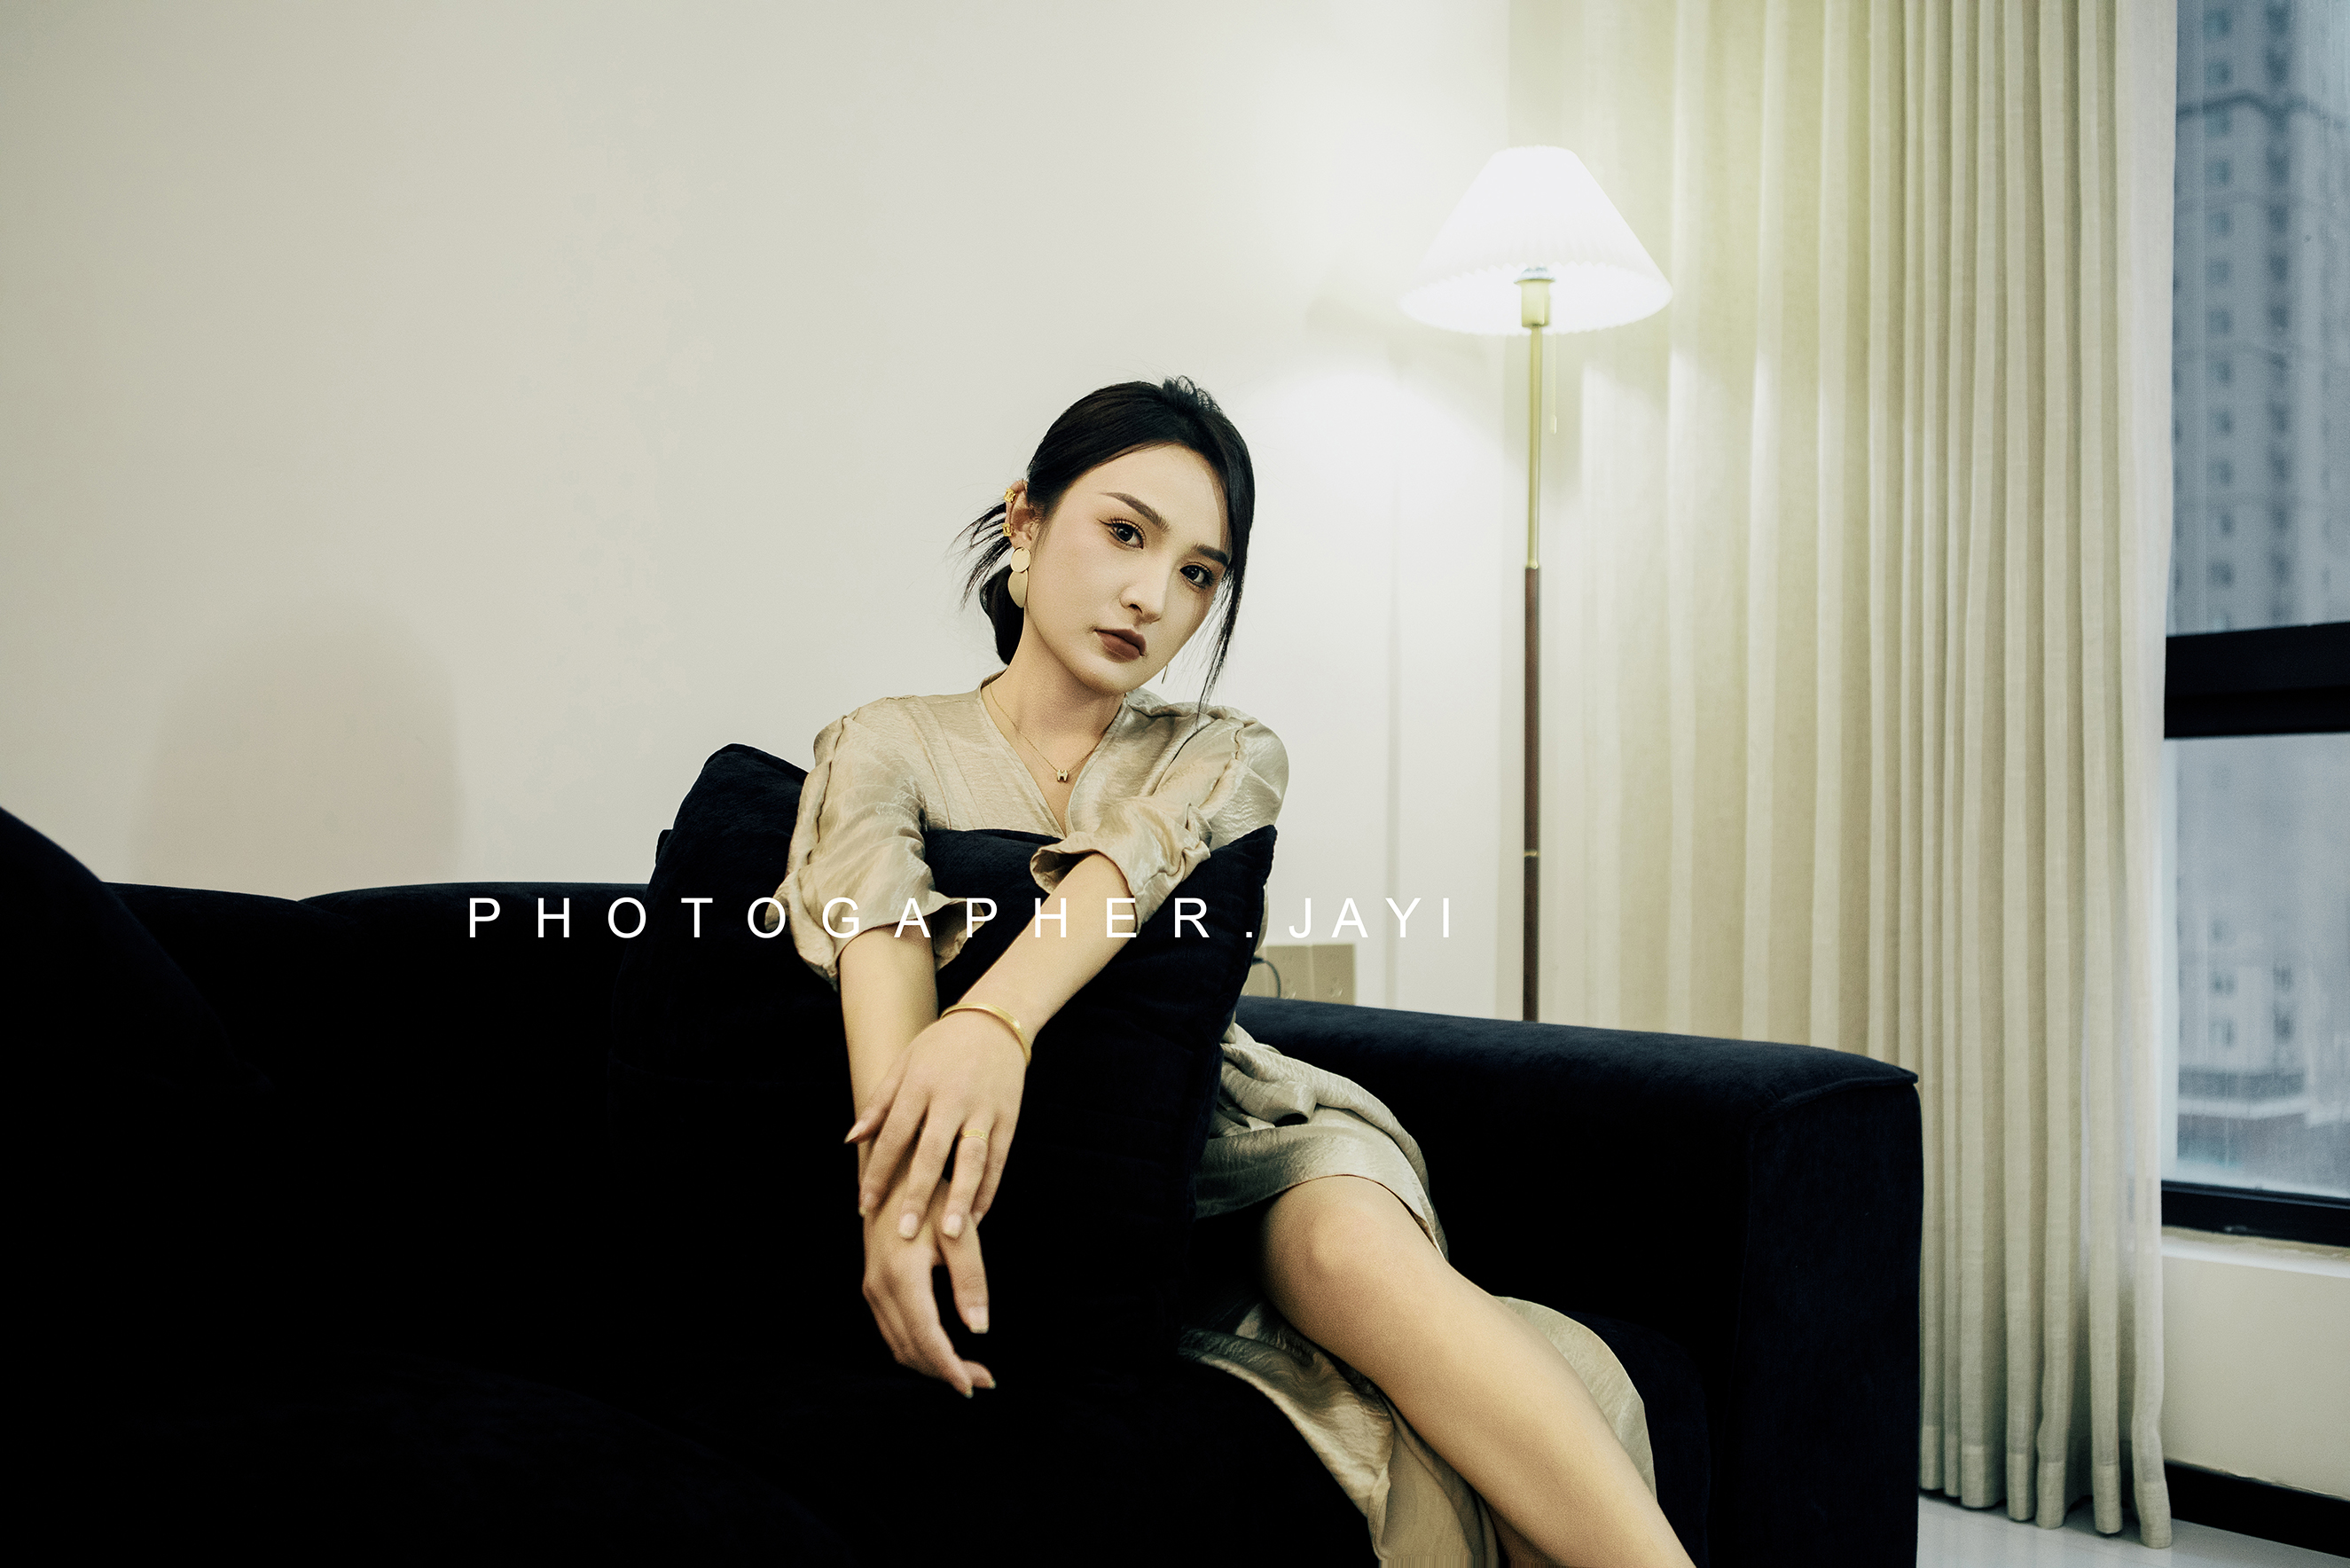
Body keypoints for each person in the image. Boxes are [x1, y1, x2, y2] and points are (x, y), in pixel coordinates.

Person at [776, 378, 1693, 1568]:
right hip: (1087, 1186)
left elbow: (1130, 867)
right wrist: (901, 1194)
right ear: (1025, 522)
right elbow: (876, 922)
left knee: (1343, 1251)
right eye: (1125, 532)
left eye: (1200, 573)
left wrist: (992, 1023)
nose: (1152, 596)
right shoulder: (884, 739)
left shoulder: (1221, 749)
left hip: (1249, 1135)